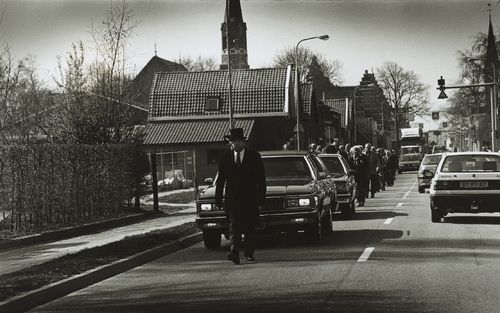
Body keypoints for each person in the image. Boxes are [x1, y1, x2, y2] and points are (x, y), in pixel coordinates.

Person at [215, 128, 266, 265]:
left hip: (250, 198)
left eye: (238, 141)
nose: (236, 144)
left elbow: (261, 179)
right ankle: (234, 252)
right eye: (233, 142)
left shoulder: (254, 156)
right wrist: (218, 198)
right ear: (230, 143)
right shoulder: (225, 157)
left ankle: (249, 253)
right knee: (234, 227)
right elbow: (221, 179)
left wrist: (262, 198)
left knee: (249, 227)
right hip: (232, 199)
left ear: (244, 142)